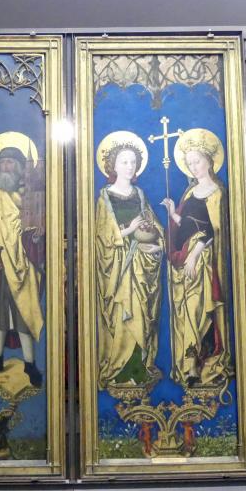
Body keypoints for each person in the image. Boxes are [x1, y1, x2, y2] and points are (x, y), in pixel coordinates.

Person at [161, 133, 231, 388]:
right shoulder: (190, 192)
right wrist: (173, 214)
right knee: (187, 312)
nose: (194, 167)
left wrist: (193, 255)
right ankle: (190, 364)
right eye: (190, 163)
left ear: (209, 161)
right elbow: (186, 226)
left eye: (197, 161)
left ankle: (195, 365)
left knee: (197, 310)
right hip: (184, 261)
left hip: (202, 262)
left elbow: (213, 231)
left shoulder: (218, 193)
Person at [95, 139, 163, 389]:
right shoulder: (105, 197)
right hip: (118, 267)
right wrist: (129, 229)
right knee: (123, 313)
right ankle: (120, 369)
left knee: (141, 314)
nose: (129, 166)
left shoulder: (140, 195)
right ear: (113, 166)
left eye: (133, 162)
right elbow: (102, 236)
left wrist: (156, 241)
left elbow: (154, 225)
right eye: (124, 162)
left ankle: (139, 366)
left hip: (141, 265)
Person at [0, 143, 45, 387]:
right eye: (3, 163)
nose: (6, 167)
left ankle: (30, 363)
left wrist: (37, 237)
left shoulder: (31, 195)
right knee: (0, 311)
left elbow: (39, 230)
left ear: (19, 168)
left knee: (25, 311)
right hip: (2, 260)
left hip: (26, 264)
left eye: (11, 163)